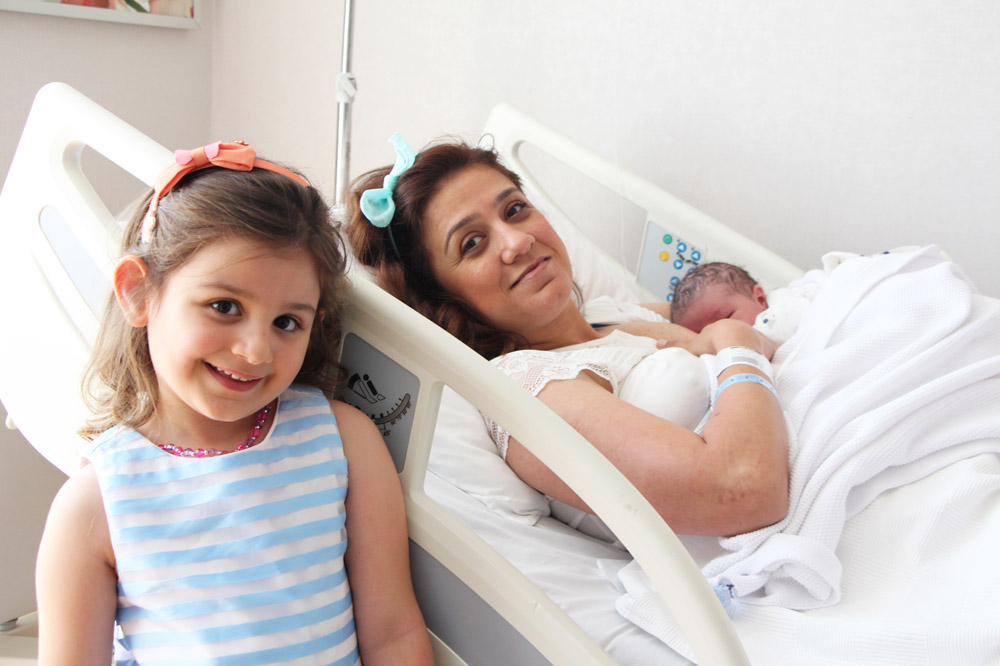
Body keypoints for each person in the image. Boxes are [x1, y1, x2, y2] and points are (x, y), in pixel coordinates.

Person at [35, 142, 434, 666]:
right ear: (138, 292)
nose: (255, 351)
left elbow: (393, 636)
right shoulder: (96, 506)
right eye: (224, 307)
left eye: (287, 322)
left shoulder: (341, 441)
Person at [346, 134, 789, 538]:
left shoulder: (608, 314)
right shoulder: (527, 386)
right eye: (472, 243)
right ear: (444, 297)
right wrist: (737, 342)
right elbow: (743, 490)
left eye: (515, 210)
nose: (516, 241)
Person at [669, 262, 768, 333]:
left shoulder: (779, 315)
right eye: (703, 334)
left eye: (727, 318)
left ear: (760, 299)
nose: (720, 334)